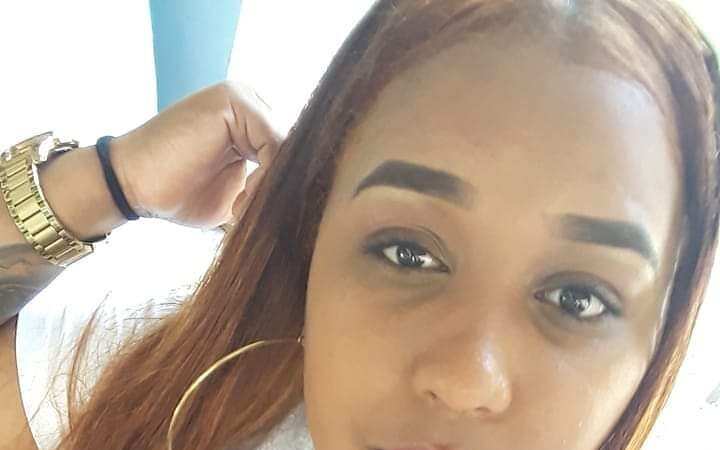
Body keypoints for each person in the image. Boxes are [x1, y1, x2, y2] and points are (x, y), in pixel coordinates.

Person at [1, 0, 719, 449]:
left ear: (660, 342)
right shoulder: (183, 390)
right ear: (313, 236)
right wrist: (106, 180)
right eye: (408, 253)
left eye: (577, 299)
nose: (465, 379)